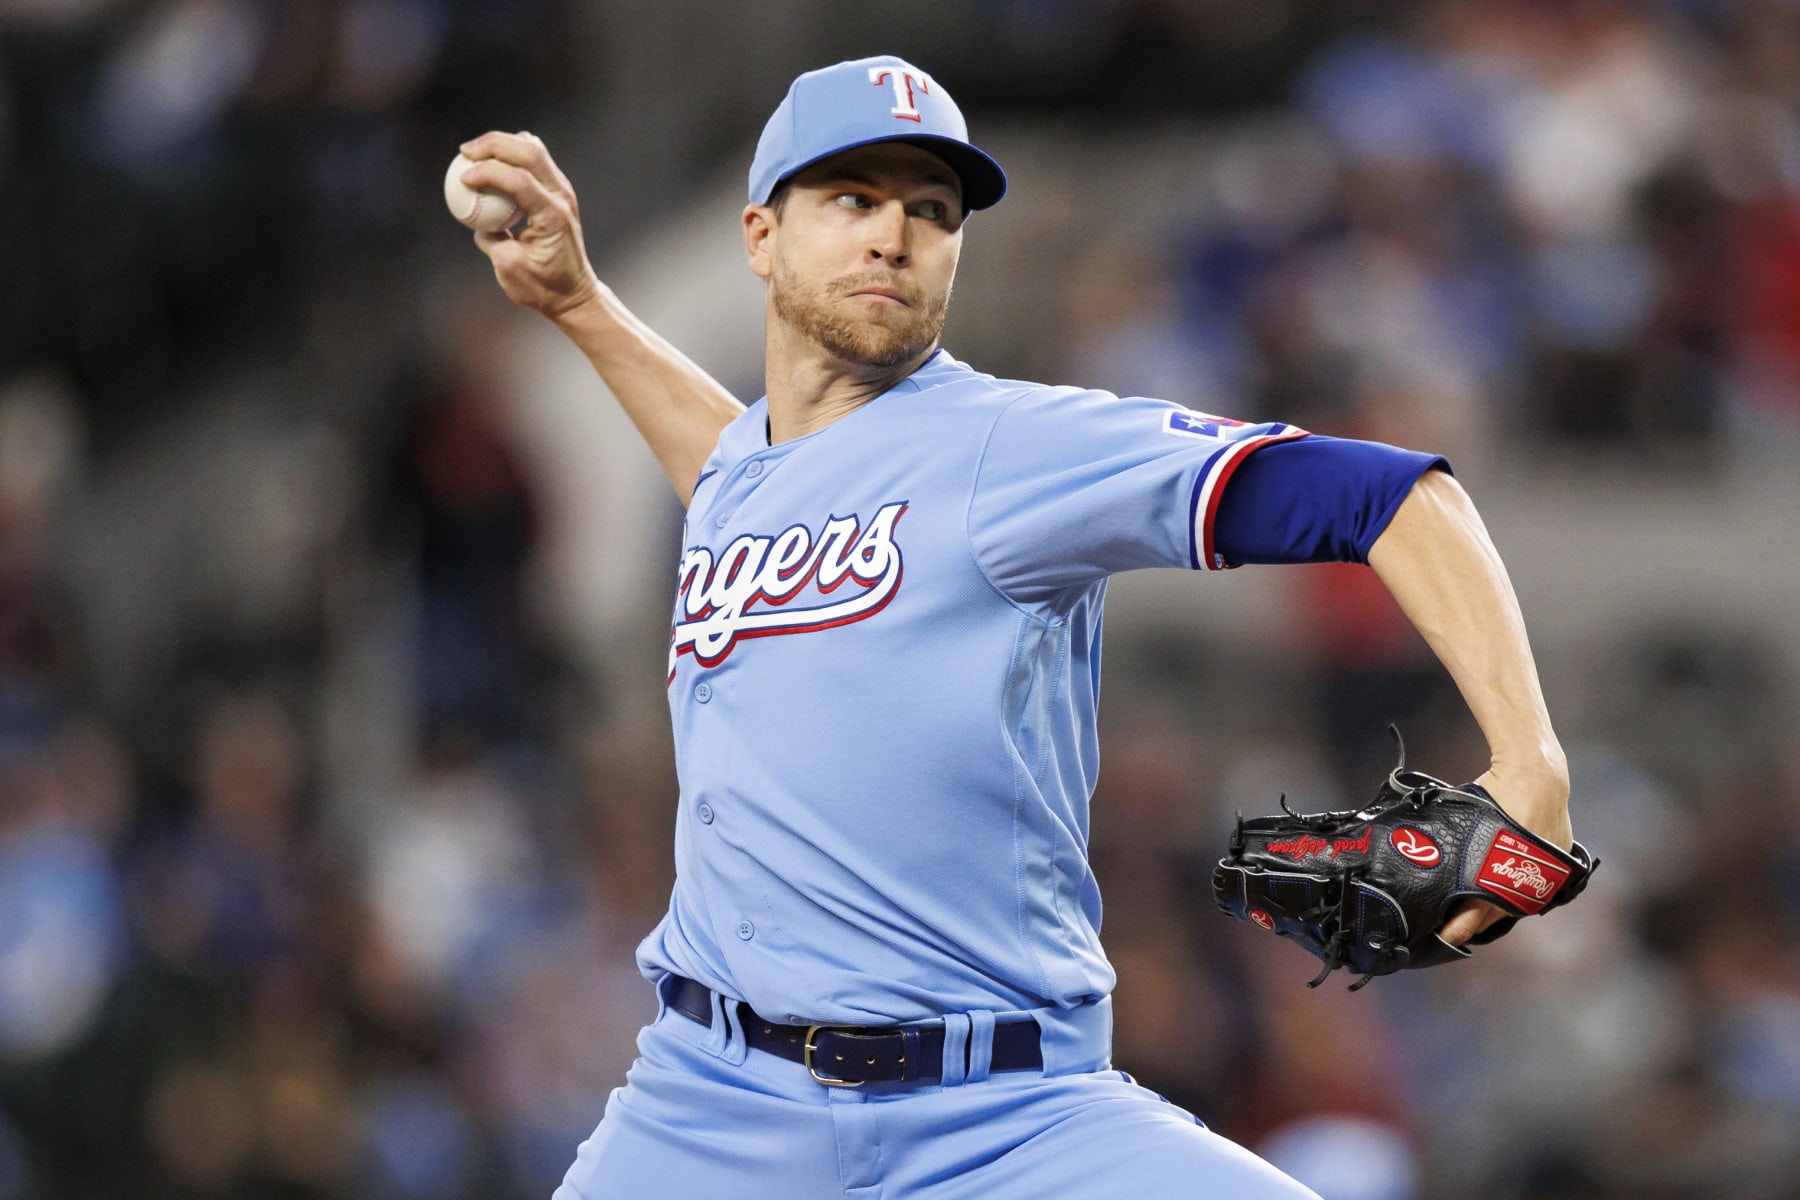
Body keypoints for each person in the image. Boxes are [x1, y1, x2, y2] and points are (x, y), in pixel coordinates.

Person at [457, 55, 1575, 1199]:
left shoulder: (1015, 449)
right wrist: (578, 303)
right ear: (759, 236)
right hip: (708, 1104)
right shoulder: (754, 470)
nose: (894, 234)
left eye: (931, 211)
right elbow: (740, 466)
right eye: (852, 198)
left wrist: (1530, 756)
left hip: (1005, 1122)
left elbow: (1389, 496)